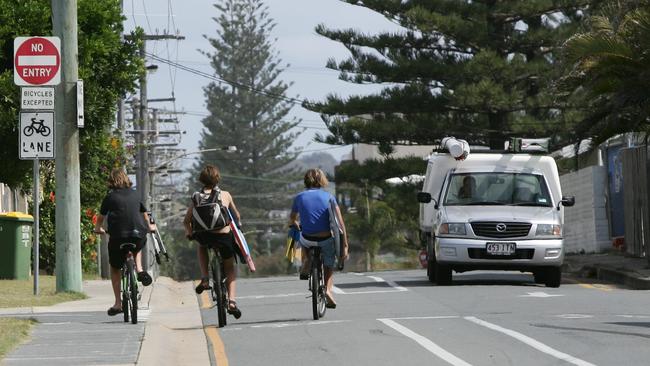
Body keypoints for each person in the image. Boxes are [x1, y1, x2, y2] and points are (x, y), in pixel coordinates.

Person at [93, 168, 155, 317]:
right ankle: (139, 269)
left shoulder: (110, 197)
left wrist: (98, 229)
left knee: (115, 268)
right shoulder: (136, 194)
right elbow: (145, 216)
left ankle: (118, 303)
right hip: (137, 235)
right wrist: (150, 227)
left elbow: (100, 219)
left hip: (118, 237)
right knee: (138, 242)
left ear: (112, 182)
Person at [183, 164, 242, 319]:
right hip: (223, 236)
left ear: (201, 180)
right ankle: (232, 302)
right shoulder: (225, 195)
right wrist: (239, 228)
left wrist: (190, 233)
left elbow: (186, 221)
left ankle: (204, 278)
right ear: (217, 178)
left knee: (201, 246)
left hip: (204, 236)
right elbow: (236, 216)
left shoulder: (196, 197)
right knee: (229, 267)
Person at [288, 168, 349, 309]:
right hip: (325, 238)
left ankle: (307, 260)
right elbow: (340, 224)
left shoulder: (299, 197)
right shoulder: (329, 197)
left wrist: (295, 224)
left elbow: (292, 219)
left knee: (301, 236)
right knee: (328, 264)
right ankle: (327, 289)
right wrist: (345, 245)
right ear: (322, 180)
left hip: (308, 238)